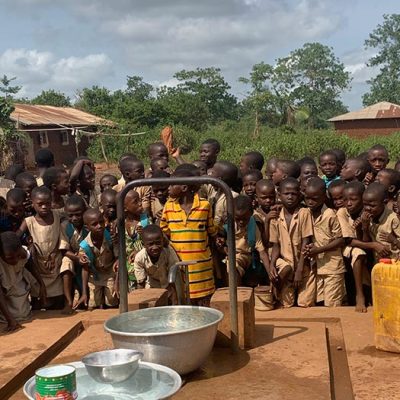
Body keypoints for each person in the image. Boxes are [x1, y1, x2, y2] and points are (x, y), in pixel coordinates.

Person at [160, 169, 217, 306]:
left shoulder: (204, 206)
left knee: (203, 302)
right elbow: (164, 231)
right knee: (183, 300)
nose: (169, 188)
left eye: (172, 185)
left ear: (184, 188)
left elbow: (211, 230)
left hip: (201, 267)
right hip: (179, 265)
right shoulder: (169, 207)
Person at [17, 186, 69, 310]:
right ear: (33, 204)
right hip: (38, 264)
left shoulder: (57, 216)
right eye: (40, 204)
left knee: (57, 296)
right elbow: (16, 237)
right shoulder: (29, 221)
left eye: (47, 203)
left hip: (55, 261)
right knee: (38, 295)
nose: (44, 207)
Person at [269, 178, 315, 308]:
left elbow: (306, 241)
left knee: (304, 303)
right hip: (286, 267)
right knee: (287, 304)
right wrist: (272, 265)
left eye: (294, 194)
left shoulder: (304, 213)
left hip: (303, 267)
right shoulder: (275, 217)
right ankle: (277, 289)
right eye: (286, 194)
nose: (290, 197)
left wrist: (299, 270)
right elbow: (275, 245)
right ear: (279, 195)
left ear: (299, 195)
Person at [303, 177, 345, 307]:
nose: (310, 202)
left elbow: (340, 240)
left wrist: (318, 250)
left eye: (314, 199)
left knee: (332, 305)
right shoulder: (306, 213)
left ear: (323, 196)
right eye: (307, 198)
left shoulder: (330, 215)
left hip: (332, 266)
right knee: (319, 303)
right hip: (316, 267)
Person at [336, 181, 372, 312]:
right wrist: (375, 245)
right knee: (358, 252)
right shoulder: (342, 212)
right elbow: (348, 241)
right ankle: (360, 296)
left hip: (369, 249)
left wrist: (365, 227)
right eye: (345, 200)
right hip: (351, 248)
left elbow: (366, 239)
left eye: (353, 199)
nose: (348, 203)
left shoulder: (368, 212)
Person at [0, 232, 46, 331]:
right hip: (5, 286)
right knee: (10, 316)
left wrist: (42, 285)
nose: (15, 260)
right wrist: (10, 320)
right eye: (10, 258)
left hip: (16, 281)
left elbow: (31, 266)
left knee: (21, 314)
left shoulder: (22, 252)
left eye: (17, 256)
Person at [223, 195, 271, 287]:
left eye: (245, 219)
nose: (241, 222)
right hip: (232, 256)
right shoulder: (227, 226)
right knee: (231, 266)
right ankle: (236, 295)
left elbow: (262, 252)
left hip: (248, 257)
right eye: (238, 219)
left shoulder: (253, 225)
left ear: (251, 213)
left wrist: (270, 274)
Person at [79, 208, 118, 309]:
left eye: (101, 222)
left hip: (110, 273)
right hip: (95, 275)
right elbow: (85, 268)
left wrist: (117, 283)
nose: (99, 226)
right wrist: (84, 293)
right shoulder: (85, 246)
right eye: (94, 224)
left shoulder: (111, 237)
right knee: (93, 303)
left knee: (111, 301)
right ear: (87, 228)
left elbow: (119, 259)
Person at [134, 225, 180, 303]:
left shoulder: (168, 253)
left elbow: (173, 279)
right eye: (151, 244)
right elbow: (140, 283)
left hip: (170, 285)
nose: (155, 247)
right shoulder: (139, 258)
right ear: (143, 244)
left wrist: (174, 304)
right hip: (152, 288)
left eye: (158, 243)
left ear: (162, 241)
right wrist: (140, 304)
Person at [61, 195, 88, 311]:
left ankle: (85, 298)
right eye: (70, 215)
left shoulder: (89, 224)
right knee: (66, 263)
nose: (75, 218)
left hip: (88, 258)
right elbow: (64, 250)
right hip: (73, 257)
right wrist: (77, 257)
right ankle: (69, 301)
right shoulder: (65, 226)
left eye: (78, 214)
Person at [362, 182, 400, 261]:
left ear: (385, 202)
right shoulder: (366, 217)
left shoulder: (393, 219)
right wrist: (365, 227)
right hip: (378, 262)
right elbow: (366, 242)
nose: (368, 208)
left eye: (372, 206)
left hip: (394, 262)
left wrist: (394, 240)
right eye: (365, 204)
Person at [120, 190, 150, 287]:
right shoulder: (120, 224)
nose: (140, 203)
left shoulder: (146, 221)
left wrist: (144, 234)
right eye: (135, 202)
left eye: (140, 200)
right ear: (125, 208)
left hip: (145, 271)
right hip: (129, 273)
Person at [208, 161, 240, 226]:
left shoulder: (232, 196)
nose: (209, 174)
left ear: (219, 179)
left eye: (212, 172)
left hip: (222, 231)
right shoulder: (212, 189)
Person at [254, 179, 280, 248]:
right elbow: (265, 242)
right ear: (256, 198)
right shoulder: (256, 216)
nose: (268, 200)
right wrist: (267, 220)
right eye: (264, 198)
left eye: (271, 197)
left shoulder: (279, 211)